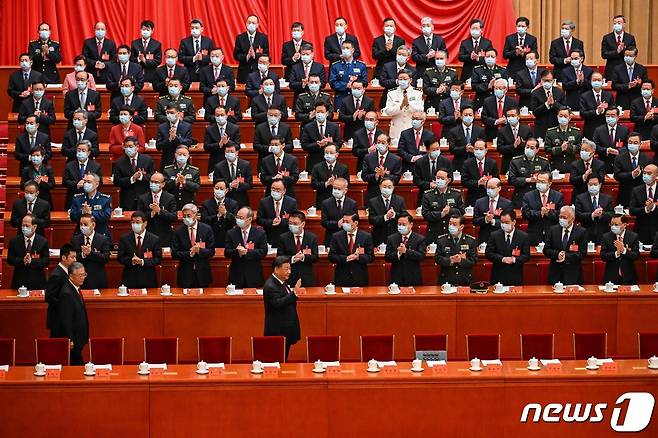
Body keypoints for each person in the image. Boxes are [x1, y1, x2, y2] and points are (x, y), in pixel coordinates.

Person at [263, 256, 301, 361]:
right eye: (286, 269)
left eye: (290, 268)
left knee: (283, 359)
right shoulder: (270, 286)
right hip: (278, 330)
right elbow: (277, 303)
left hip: (286, 329)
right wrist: (294, 294)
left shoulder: (281, 281)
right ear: (276, 269)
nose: (289, 272)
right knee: (277, 360)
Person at [172, 204, 216, 288]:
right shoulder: (178, 232)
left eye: (188, 215)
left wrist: (199, 250)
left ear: (195, 215)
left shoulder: (206, 229)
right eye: (184, 216)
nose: (186, 218)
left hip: (202, 274)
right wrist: (190, 253)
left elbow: (211, 251)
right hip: (185, 275)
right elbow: (174, 253)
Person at [543, 206, 588, 285]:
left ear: (572, 219)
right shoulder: (553, 230)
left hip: (573, 274)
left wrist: (566, 256)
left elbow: (583, 253)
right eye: (560, 216)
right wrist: (557, 254)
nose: (561, 219)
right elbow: (546, 249)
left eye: (564, 217)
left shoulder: (581, 232)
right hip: (555, 273)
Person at [225, 206, 268, 288]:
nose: (238, 220)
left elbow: (263, 252)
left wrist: (247, 252)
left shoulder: (260, 233)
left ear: (250, 219)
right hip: (236, 275)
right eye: (237, 217)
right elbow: (227, 252)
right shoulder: (231, 233)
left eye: (241, 218)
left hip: (254, 275)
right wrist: (237, 252)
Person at [117, 211, 162, 289]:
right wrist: (131, 260)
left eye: (137, 222)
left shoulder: (154, 239)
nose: (135, 225)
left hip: (148, 280)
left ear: (145, 223)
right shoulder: (125, 239)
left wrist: (142, 262)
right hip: (130, 279)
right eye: (133, 222)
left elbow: (158, 259)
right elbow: (120, 258)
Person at [485, 210, 530, 286]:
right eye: (502, 222)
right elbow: (488, 253)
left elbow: (526, 256)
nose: (503, 225)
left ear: (514, 222)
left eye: (507, 223)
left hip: (515, 276)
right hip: (498, 276)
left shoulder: (523, 236)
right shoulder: (494, 235)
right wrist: (502, 259)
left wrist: (514, 259)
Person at [329, 213, 375, 286]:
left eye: (347, 222)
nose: (344, 224)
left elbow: (371, 257)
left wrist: (358, 257)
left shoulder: (366, 236)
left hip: (360, 278)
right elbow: (331, 256)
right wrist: (346, 258)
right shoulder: (336, 236)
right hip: (342, 277)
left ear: (355, 223)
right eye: (343, 221)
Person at [57, 262, 89, 365]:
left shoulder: (75, 289)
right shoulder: (67, 293)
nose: (83, 277)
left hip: (78, 339)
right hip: (73, 341)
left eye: (84, 274)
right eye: (80, 275)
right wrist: (69, 339)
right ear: (71, 276)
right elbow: (66, 320)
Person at [421, 169, 465, 244]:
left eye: (442, 178)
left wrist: (450, 211)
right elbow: (425, 214)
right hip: (434, 233)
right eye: (437, 178)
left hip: (452, 233)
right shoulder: (428, 195)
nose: (439, 180)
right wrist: (441, 214)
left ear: (448, 180)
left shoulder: (456, 194)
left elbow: (461, 212)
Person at [277, 211, 319, 287]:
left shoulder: (312, 238)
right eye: (290, 223)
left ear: (303, 224)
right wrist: (293, 258)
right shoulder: (283, 238)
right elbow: (279, 257)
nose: (292, 225)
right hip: (289, 276)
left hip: (306, 277)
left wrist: (303, 257)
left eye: (295, 224)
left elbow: (315, 257)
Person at [521, 171, 564, 245]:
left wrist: (548, 213)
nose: (539, 183)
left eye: (542, 182)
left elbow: (561, 214)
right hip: (534, 235)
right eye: (538, 181)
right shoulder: (528, 196)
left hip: (552, 235)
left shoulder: (558, 196)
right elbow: (525, 214)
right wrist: (540, 213)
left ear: (550, 183)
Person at [384, 212, 426, 286]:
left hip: (413, 277)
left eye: (404, 224)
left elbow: (421, 256)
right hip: (396, 277)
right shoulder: (391, 238)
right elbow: (387, 258)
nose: (401, 226)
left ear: (411, 225)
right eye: (399, 224)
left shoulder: (419, 238)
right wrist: (398, 253)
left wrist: (406, 251)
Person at [8, 214, 49, 289]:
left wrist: (32, 261)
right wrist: (22, 261)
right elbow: (10, 260)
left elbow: (46, 261)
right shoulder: (14, 241)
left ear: (34, 227)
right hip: (19, 282)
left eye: (27, 226)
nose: (24, 228)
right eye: (23, 225)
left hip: (37, 282)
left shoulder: (43, 242)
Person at [113, 136, 154, 210]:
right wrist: (132, 179)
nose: (128, 149)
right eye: (126, 146)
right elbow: (116, 182)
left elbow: (153, 177)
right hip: (127, 199)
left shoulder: (148, 160)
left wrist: (141, 177)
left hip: (144, 197)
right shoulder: (118, 162)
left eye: (130, 146)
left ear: (137, 147)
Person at [136, 172, 177, 247]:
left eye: (156, 182)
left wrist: (159, 211)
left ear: (163, 184)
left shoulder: (170, 198)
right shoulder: (142, 198)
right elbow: (139, 217)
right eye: (151, 181)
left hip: (165, 236)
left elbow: (174, 217)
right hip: (148, 235)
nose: (153, 184)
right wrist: (151, 213)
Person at [383, 69, 424, 144]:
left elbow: (420, 110)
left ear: (410, 80)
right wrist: (400, 107)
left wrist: (408, 105)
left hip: (411, 128)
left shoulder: (417, 93)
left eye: (405, 79)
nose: (402, 81)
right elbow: (388, 111)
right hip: (396, 130)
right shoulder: (391, 93)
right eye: (400, 79)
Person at [435, 214, 477, 286]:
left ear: (461, 227)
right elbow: (437, 258)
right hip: (446, 280)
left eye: (454, 224)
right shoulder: (441, 240)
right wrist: (450, 260)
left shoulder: (470, 241)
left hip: (464, 280)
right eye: (450, 223)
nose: (451, 226)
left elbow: (474, 260)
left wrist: (461, 260)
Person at [508, 138, 551, 207]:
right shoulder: (515, 161)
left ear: (537, 150)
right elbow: (511, 179)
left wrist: (539, 179)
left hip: (538, 196)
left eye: (532, 148)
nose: (529, 149)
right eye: (527, 147)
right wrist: (527, 180)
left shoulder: (544, 162)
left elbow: (549, 179)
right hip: (521, 195)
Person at [70, 214, 110, 289]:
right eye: (81, 224)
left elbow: (106, 258)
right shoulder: (75, 240)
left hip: (97, 280)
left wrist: (91, 253)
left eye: (85, 224)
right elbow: (72, 258)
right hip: (79, 280)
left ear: (93, 225)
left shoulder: (103, 239)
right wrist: (83, 255)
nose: (82, 227)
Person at [45, 244, 76, 338]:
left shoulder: (67, 272)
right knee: (57, 347)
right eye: (72, 257)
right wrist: (64, 305)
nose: (75, 260)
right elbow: (49, 297)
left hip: (64, 318)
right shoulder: (57, 275)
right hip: (58, 319)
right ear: (63, 257)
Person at [256, 179, 298, 248]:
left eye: (278, 190)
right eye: (273, 189)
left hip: (286, 237)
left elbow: (295, 220)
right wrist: (271, 222)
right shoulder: (264, 202)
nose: (275, 191)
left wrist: (282, 221)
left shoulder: (292, 202)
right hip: (269, 236)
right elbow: (259, 220)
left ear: (284, 191)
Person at [300, 102, 341, 171]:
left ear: (327, 113)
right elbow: (304, 145)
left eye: (322, 112)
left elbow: (339, 143)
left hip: (330, 162)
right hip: (313, 161)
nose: (320, 114)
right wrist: (318, 144)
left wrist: (331, 143)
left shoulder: (334, 127)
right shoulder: (308, 127)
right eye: (317, 112)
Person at [574, 175, 614, 245]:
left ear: (600, 185)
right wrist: (592, 215)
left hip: (603, 233)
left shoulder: (607, 198)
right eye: (590, 184)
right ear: (587, 185)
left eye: (595, 184)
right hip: (586, 232)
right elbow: (578, 215)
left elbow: (612, 214)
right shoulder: (580, 198)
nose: (593, 186)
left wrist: (602, 214)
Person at [69, 173, 111, 239]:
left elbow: (106, 216)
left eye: (89, 182)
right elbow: (72, 216)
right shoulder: (77, 198)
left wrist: (90, 213)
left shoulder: (105, 199)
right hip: (81, 235)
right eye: (85, 182)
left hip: (101, 234)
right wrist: (82, 212)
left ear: (97, 184)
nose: (86, 184)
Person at [600, 214, 640, 285]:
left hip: (629, 276)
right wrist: (617, 253)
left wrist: (624, 250)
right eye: (611, 224)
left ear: (624, 225)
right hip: (611, 277)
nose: (613, 227)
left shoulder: (633, 236)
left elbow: (636, 256)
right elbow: (603, 256)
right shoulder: (606, 237)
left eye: (616, 224)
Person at [613, 132, 650, 206]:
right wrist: (632, 174)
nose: (632, 144)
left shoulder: (646, 158)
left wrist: (640, 174)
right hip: (625, 193)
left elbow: (649, 175)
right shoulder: (619, 158)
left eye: (635, 143)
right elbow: (617, 175)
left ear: (640, 144)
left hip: (641, 195)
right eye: (630, 142)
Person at [361, 133, 402, 200]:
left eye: (383, 142)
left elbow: (397, 178)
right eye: (378, 142)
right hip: (372, 194)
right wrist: (376, 175)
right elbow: (364, 176)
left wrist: (384, 175)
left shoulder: (396, 159)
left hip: (389, 196)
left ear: (388, 144)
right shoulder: (368, 157)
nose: (380, 144)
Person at [367, 177, 407, 246]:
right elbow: (371, 219)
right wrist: (385, 217)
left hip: (396, 235)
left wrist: (394, 215)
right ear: (380, 187)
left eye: (389, 187)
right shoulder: (373, 201)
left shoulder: (400, 200)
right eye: (384, 186)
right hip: (379, 236)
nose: (387, 189)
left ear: (393, 188)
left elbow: (404, 215)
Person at [200, 179, 239, 248]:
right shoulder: (205, 204)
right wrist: (217, 216)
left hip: (228, 236)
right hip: (211, 236)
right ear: (213, 189)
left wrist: (225, 213)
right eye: (217, 188)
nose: (219, 191)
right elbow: (204, 220)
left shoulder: (233, 203)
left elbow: (236, 221)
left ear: (226, 190)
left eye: (221, 189)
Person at [329, 40, 368, 109]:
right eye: (343, 48)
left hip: (356, 99)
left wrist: (356, 84)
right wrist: (346, 85)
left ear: (352, 50)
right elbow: (332, 83)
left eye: (347, 48)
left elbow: (365, 82)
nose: (345, 50)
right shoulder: (335, 65)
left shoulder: (361, 65)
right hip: (341, 98)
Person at [412, 139, 453, 206]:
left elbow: (451, 178)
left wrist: (441, 184)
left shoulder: (446, 161)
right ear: (427, 150)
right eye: (433, 150)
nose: (436, 151)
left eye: (438, 149)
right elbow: (416, 180)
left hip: (442, 195)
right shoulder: (419, 162)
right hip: (425, 196)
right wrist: (429, 184)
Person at [472, 177, 512, 244]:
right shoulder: (479, 202)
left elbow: (509, 223)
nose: (489, 190)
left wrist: (493, 221)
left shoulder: (507, 204)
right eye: (488, 188)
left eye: (492, 188)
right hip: (484, 238)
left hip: (501, 238)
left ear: (499, 188)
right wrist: (486, 219)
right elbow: (474, 221)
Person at [253, 107, 293, 171]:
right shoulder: (259, 128)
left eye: (276, 115)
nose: (273, 117)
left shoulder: (286, 127)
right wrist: (269, 149)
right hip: (265, 162)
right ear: (267, 116)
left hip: (282, 162)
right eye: (271, 115)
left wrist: (280, 148)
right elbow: (256, 146)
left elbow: (290, 146)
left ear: (280, 116)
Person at [461, 139, 499, 206]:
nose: (478, 151)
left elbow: (497, 180)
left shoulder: (492, 163)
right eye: (476, 149)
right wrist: (478, 182)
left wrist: (487, 183)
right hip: (473, 197)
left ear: (486, 150)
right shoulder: (467, 163)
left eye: (481, 149)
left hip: (488, 196)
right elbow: (464, 181)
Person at [156, 103, 194, 169]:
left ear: (178, 113)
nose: (169, 115)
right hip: (167, 161)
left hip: (183, 160)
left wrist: (176, 138)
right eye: (167, 113)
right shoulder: (162, 127)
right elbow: (158, 146)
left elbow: (188, 142)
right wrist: (169, 140)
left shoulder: (187, 126)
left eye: (172, 113)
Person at [530, 69, 566, 139]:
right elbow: (535, 112)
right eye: (544, 80)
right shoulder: (535, 93)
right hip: (541, 127)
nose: (547, 82)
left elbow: (564, 108)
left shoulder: (560, 92)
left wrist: (554, 104)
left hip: (556, 126)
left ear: (553, 81)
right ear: (541, 80)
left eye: (549, 80)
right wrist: (546, 104)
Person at [203, 106, 240, 173]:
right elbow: (206, 147)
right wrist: (219, 144)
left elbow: (237, 146)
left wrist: (227, 142)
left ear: (226, 115)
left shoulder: (235, 128)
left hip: (230, 161)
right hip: (215, 162)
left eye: (222, 115)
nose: (220, 117)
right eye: (217, 115)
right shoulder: (209, 129)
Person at [544, 108, 582, 173]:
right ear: (557, 117)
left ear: (569, 117)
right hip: (556, 165)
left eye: (565, 116)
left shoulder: (576, 132)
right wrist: (560, 149)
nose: (563, 118)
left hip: (571, 165)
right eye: (561, 116)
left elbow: (580, 148)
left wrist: (568, 147)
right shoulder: (551, 132)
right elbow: (547, 149)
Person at [321, 178, 358, 246]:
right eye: (334, 188)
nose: (336, 191)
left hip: (346, 238)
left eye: (339, 189)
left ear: (345, 190)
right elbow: (324, 222)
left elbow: (355, 222)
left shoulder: (352, 204)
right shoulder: (326, 203)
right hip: (331, 237)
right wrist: (337, 223)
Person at [234, 15, 269, 83]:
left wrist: (254, 56)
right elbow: (236, 55)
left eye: (253, 23)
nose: (251, 25)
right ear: (246, 24)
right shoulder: (240, 38)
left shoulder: (263, 38)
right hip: (244, 72)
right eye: (249, 22)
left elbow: (266, 54)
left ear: (257, 25)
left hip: (258, 72)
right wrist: (247, 56)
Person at [496, 107, 533, 173]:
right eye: (508, 116)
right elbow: (500, 148)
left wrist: (521, 144)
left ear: (518, 117)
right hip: (508, 163)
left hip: (523, 162)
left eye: (513, 115)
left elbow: (532, 145)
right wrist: (513, 146)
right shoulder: (502, 131)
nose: (510, 118)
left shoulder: (527, 129)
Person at [447, 105, 484, 171]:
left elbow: (484, 147)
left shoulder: (480, 130)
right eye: (465, 115)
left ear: (473, 116)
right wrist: (465, 149)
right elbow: (452, 149)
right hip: (459, 163)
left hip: (475, 163)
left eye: (470, 115)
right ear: (461, 116)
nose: (468, 117)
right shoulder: (453, 131)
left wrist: (475, 150)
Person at [580, 72, 615, 139]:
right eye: (594, 80)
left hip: (605, 129)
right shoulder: (584, 96)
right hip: (590, 129)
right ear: (590, 82)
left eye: (599, 80)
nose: (596, 82)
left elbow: (613, 110)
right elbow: (582, 114)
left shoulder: (609, 95)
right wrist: (596, 112)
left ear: (602, 81)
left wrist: (604, 110)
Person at [594, 107, 630, 173]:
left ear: (618, 117)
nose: (610, 118)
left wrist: (618, 151)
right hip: (604, 162)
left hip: (620, 162)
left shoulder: (624, 130)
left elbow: (628, 145)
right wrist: (606, 150)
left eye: (613, 116)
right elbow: (595, 146)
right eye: (608, 116)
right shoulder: (598, 130)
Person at [629, 164, 658, 243]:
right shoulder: (636, 190)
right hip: (641, 231)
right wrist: (646, 209)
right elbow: (632, 211)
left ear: (656, 175)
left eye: (649, 173)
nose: (645, 175)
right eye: (644, 173)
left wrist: (653, 207)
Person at [602, 15, 637, 80]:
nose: (616, 25)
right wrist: (617, 51)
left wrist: (624, 49)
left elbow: (633, 52)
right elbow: (604, 54)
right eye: (614, 23)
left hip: (626, 69)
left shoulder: (630, 38)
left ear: (624, 24)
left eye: (619, 23)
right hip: (611, 70)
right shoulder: (607, 38)